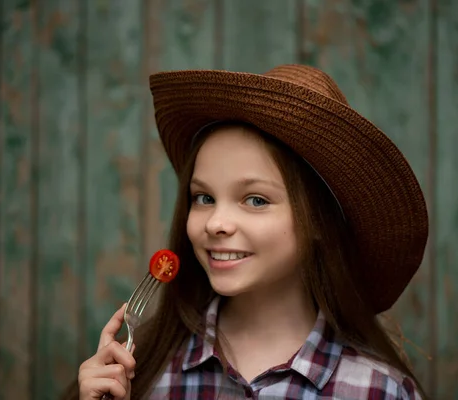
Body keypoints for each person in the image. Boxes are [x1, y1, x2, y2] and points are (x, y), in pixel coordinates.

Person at [65, 64, 429, 399]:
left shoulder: (378, 390)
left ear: (320, 222)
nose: (215, 223)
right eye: (204, 197)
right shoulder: (138, 374)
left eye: (255, 200)